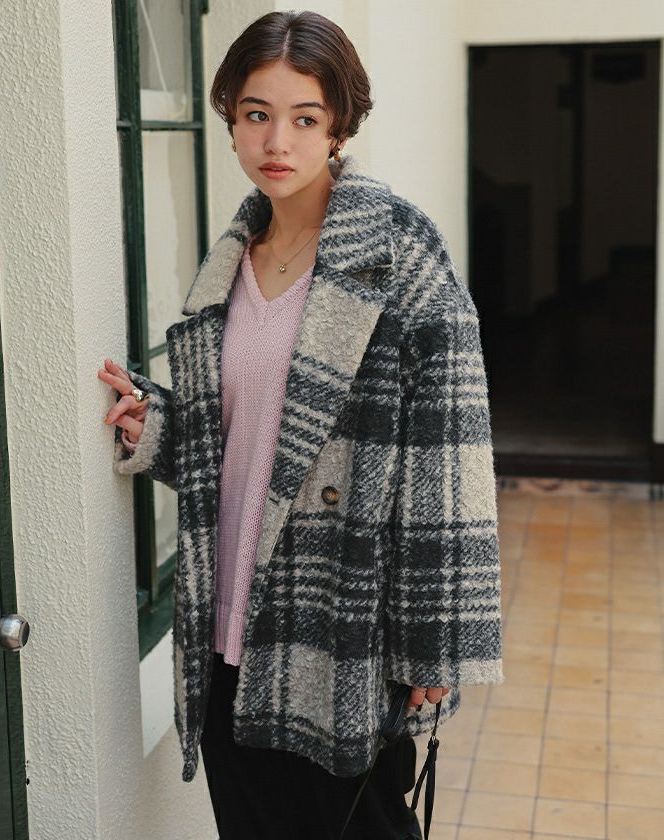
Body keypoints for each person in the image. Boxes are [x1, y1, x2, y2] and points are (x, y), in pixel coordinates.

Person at [98, 10, 503, 840]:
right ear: (230, 119)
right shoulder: (233, 258)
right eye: (256, 113)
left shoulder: (398, 254)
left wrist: (433, 646)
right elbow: (246, 439)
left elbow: (450, 461)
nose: (276, 141)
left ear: (339, 126)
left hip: (341, 631)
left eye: (305, 118)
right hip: (228, 627)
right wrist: (159, 426)